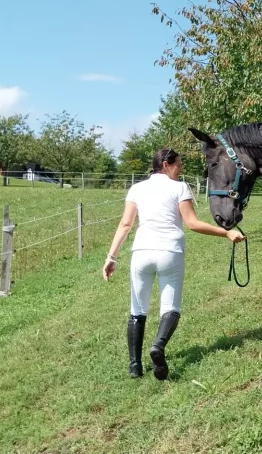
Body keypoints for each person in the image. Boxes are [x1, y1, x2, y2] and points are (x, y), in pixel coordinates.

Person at [102, 148, 245, 380]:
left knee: (137, 309)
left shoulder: (137, 188)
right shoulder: (179, 188)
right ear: (166, 164)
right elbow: (192, 223)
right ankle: (158, 346)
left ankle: (134, 366)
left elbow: (125, 225)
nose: (181, 169)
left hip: (141, 252)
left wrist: (111, 257)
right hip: (169, 251)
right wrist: (226, 233)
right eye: (178, 165)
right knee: (171, 307)